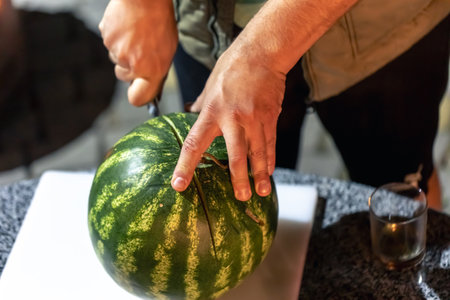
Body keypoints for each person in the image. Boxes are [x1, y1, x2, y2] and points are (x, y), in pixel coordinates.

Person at [98, 0, 449, 210]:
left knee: (400, 196)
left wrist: (261, 55)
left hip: (385, 29)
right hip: (209, 27)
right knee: (228, 200)